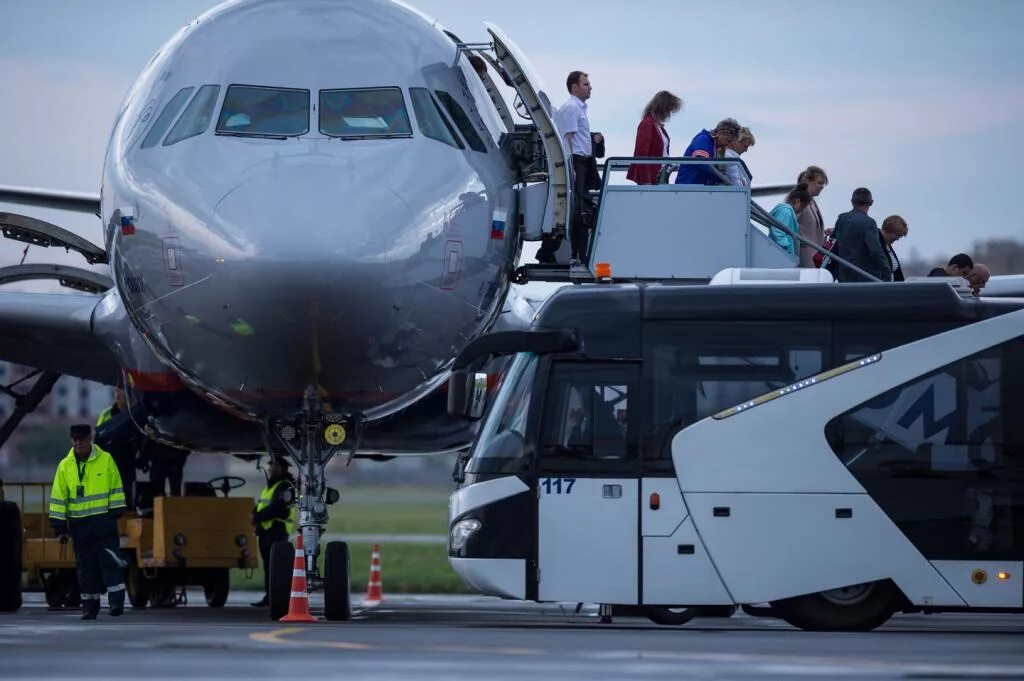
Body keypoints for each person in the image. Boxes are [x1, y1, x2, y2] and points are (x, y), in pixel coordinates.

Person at [48, 424, 127, 620]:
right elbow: (59, 497)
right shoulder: (64, 466)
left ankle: (116, 603)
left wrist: (116, 512)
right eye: (75, 439)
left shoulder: (106, 460)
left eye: (82, 438)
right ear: (71, 440)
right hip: (79, 525)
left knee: (111, 562)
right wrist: (59, 526)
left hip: (103, 522)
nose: (78, 442)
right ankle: (89, 607)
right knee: (86, 568)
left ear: (90, 438)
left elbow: (116, 486)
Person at [536, 71, 603, 264]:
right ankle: (567, 253)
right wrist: (571, 167)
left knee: (579, 208)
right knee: (576, 209)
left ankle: (574, 252)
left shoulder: (579, 108)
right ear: (574, 87)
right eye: (586, 84)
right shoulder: (572, 108)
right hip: (576, 163)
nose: (590, 87)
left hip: (582, 162)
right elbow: (567, 139)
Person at [250, 457, 297, 607]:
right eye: (270, 466)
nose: (270, 469)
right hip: (267, 531)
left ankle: (276, 597)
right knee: (269, 567)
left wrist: (257, 516)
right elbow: (261, 504)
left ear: (282, 469)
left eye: (273, 466)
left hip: (277, 531)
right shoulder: (271, 487)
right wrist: (255, 515)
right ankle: (269, 596)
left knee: (275, 567)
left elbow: (278, 509)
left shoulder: (285, 487)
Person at [831, 188, 889, 282]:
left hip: (842, 275)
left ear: (852, 201)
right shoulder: (869, 223)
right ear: (871, 202)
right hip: (865, 277)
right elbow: (875, 251)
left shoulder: (841, 219)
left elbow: (834, 242)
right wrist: (886, 270)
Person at [95, 387, 140, 508]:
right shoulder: (106, 415)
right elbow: (98, 441)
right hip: (108, 467)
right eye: (118, 392)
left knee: (126, 501)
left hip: (126, 466)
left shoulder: (136, 415)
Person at [627, 90, 683, 185]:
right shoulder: (647, 124)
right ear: (661, 108)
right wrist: (646, 181)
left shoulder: (657, 126)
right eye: (668, 111)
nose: (669, 115)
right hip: (651, 178)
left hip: (660, 176)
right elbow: (642, 153)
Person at [674, 118, 741, 186]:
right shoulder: (703, 140)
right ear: (723, 133)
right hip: (688, 187)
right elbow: (701, 163)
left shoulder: (712, 145)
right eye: (728, 141)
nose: (727, 145)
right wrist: (721, 178)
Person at [796, 166, 829, 268]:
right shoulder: (799, 200)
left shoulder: (811, 202)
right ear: (808, 182)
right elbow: (789, 224)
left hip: (815, 258)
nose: (822, 186)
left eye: (823, 184)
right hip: (805, 259)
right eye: (819, 183)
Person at [769, 184, 811, 255]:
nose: (802, 210)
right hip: (782, 253)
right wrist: (787, 249)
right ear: (798, 202)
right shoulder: (786, 212)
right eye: (803, 207)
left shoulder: (787, 212)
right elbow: (777, 231)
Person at [879, 215, 909, 281]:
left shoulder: (887, 243)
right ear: (889, 229)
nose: (898, 238)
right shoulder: (876, 242)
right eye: (897, 234)